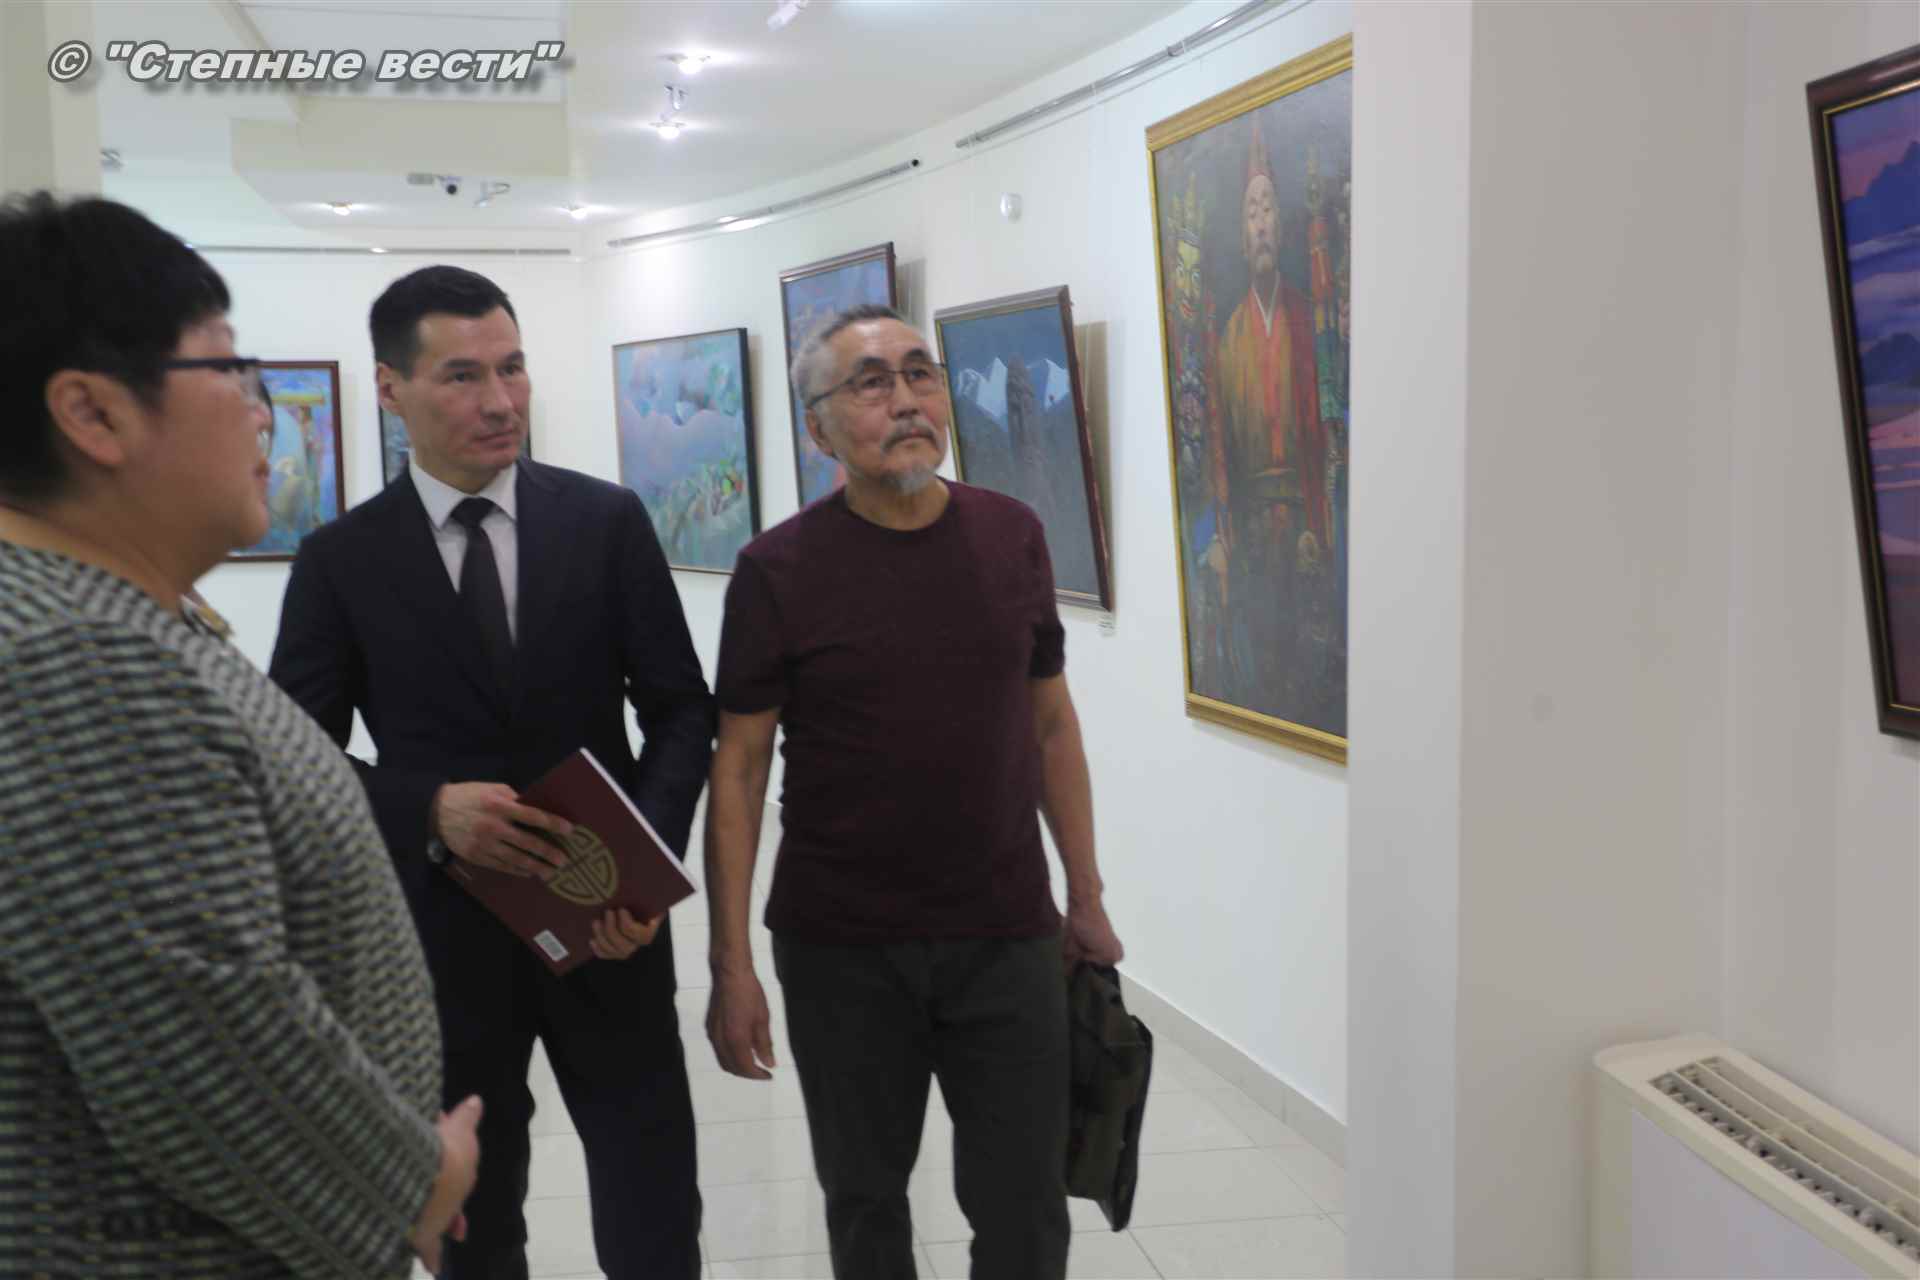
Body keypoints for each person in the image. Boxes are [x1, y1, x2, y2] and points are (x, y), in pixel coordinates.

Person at [0, 192, 478, 1278]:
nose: (264, 416)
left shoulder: (116, 616)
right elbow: (194, 1037)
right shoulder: (76, 654)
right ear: (93, 414)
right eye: (229, 370)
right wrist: (415, 1175)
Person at [268, 266, 714, 1280]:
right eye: (463, 376)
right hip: (440, 937)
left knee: (652, 1203)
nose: (502, 401)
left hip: (609, 920)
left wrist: (644, 869)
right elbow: (293, 751)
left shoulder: (606, 522)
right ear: (390, 389)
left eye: (512, 368)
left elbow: (683, 709)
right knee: (476, 1218)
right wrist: (427, 807)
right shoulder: (340, 559)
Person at [704, 304, 1126, 1280]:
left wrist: (1087, 893)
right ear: (819, 430)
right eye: (870, 383)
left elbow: (1051, 724)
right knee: (866, 1204)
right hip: (842, 946)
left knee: (1026, 1213)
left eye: (920, 373)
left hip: (1006, 933)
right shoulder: (776, 572)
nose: (905, 401)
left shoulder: (1013, 536)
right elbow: (739, 767)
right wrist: (731, 963)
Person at [1208, 119, 1331, 720]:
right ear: (1241, 235)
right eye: (1251, 212)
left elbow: (1327, 434)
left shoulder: (1308, 320)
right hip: (1253, 534)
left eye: (1268, 210)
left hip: (1302, 526)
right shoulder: (1228, 336)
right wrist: (1225, 535)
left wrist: (1317, 522)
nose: (1261, 223)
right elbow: (1219, 453)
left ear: (1281, 226)